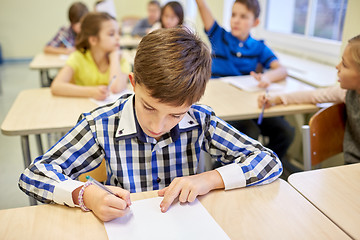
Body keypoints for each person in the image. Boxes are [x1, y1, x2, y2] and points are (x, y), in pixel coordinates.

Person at [19, 28, 282, 222]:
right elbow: (34, 175)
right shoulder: (101, 124)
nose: (157, 126)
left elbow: (269, 161)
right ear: (133, 84)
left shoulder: (201, 119)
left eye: (176, 115)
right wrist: (85, 194)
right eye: (149, 107)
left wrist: (208, 179)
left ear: (193, 103)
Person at [196, 0, 294, 169]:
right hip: (223, 105)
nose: (236, 20)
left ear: (255, 22)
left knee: (286, 131)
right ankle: (223, 169)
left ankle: (265, 166)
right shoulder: (219, 37)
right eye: (233, 15)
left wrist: (267, 77)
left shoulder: (258, 47)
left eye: (243, 16)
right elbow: (202, 7)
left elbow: (281, 70)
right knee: (249, 132)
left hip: (249, 105)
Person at [258, 35, 360, 165]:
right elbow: (314, 95)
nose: (337, 66)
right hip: (350, 167)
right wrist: (277, 99)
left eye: (344, 65)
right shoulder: (347, 93)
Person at [50, 12, 130, 101]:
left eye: (118, 33)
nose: (118, 38)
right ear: (93, 40)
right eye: (111, 34)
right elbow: (56, 86)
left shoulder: (120, 59)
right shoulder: (78, 57)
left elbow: (116, 88)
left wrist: (114, 57)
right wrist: (91, 92)